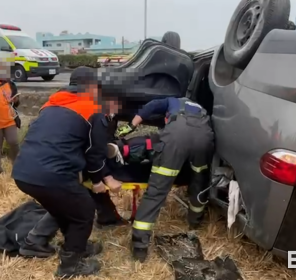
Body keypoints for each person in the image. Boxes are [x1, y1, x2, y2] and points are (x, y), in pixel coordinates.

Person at [11, 67, 123, 278]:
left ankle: (43, 244)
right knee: (84, 212)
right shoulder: (93, 108)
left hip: (23, 171)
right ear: (92, 87)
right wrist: (99, 180)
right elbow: (94, 152)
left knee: (64, 208)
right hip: (52, 175)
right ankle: (70, 266)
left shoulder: (51, 104)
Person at [116, 97, 215, 262]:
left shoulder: (172, 101)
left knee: (156, 191)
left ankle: (140, 247)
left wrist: (131, 126)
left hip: (177, 136)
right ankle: (195, 222)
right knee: (199, 181)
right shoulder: (200, 107)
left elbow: (150, 106)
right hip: (204, 137)